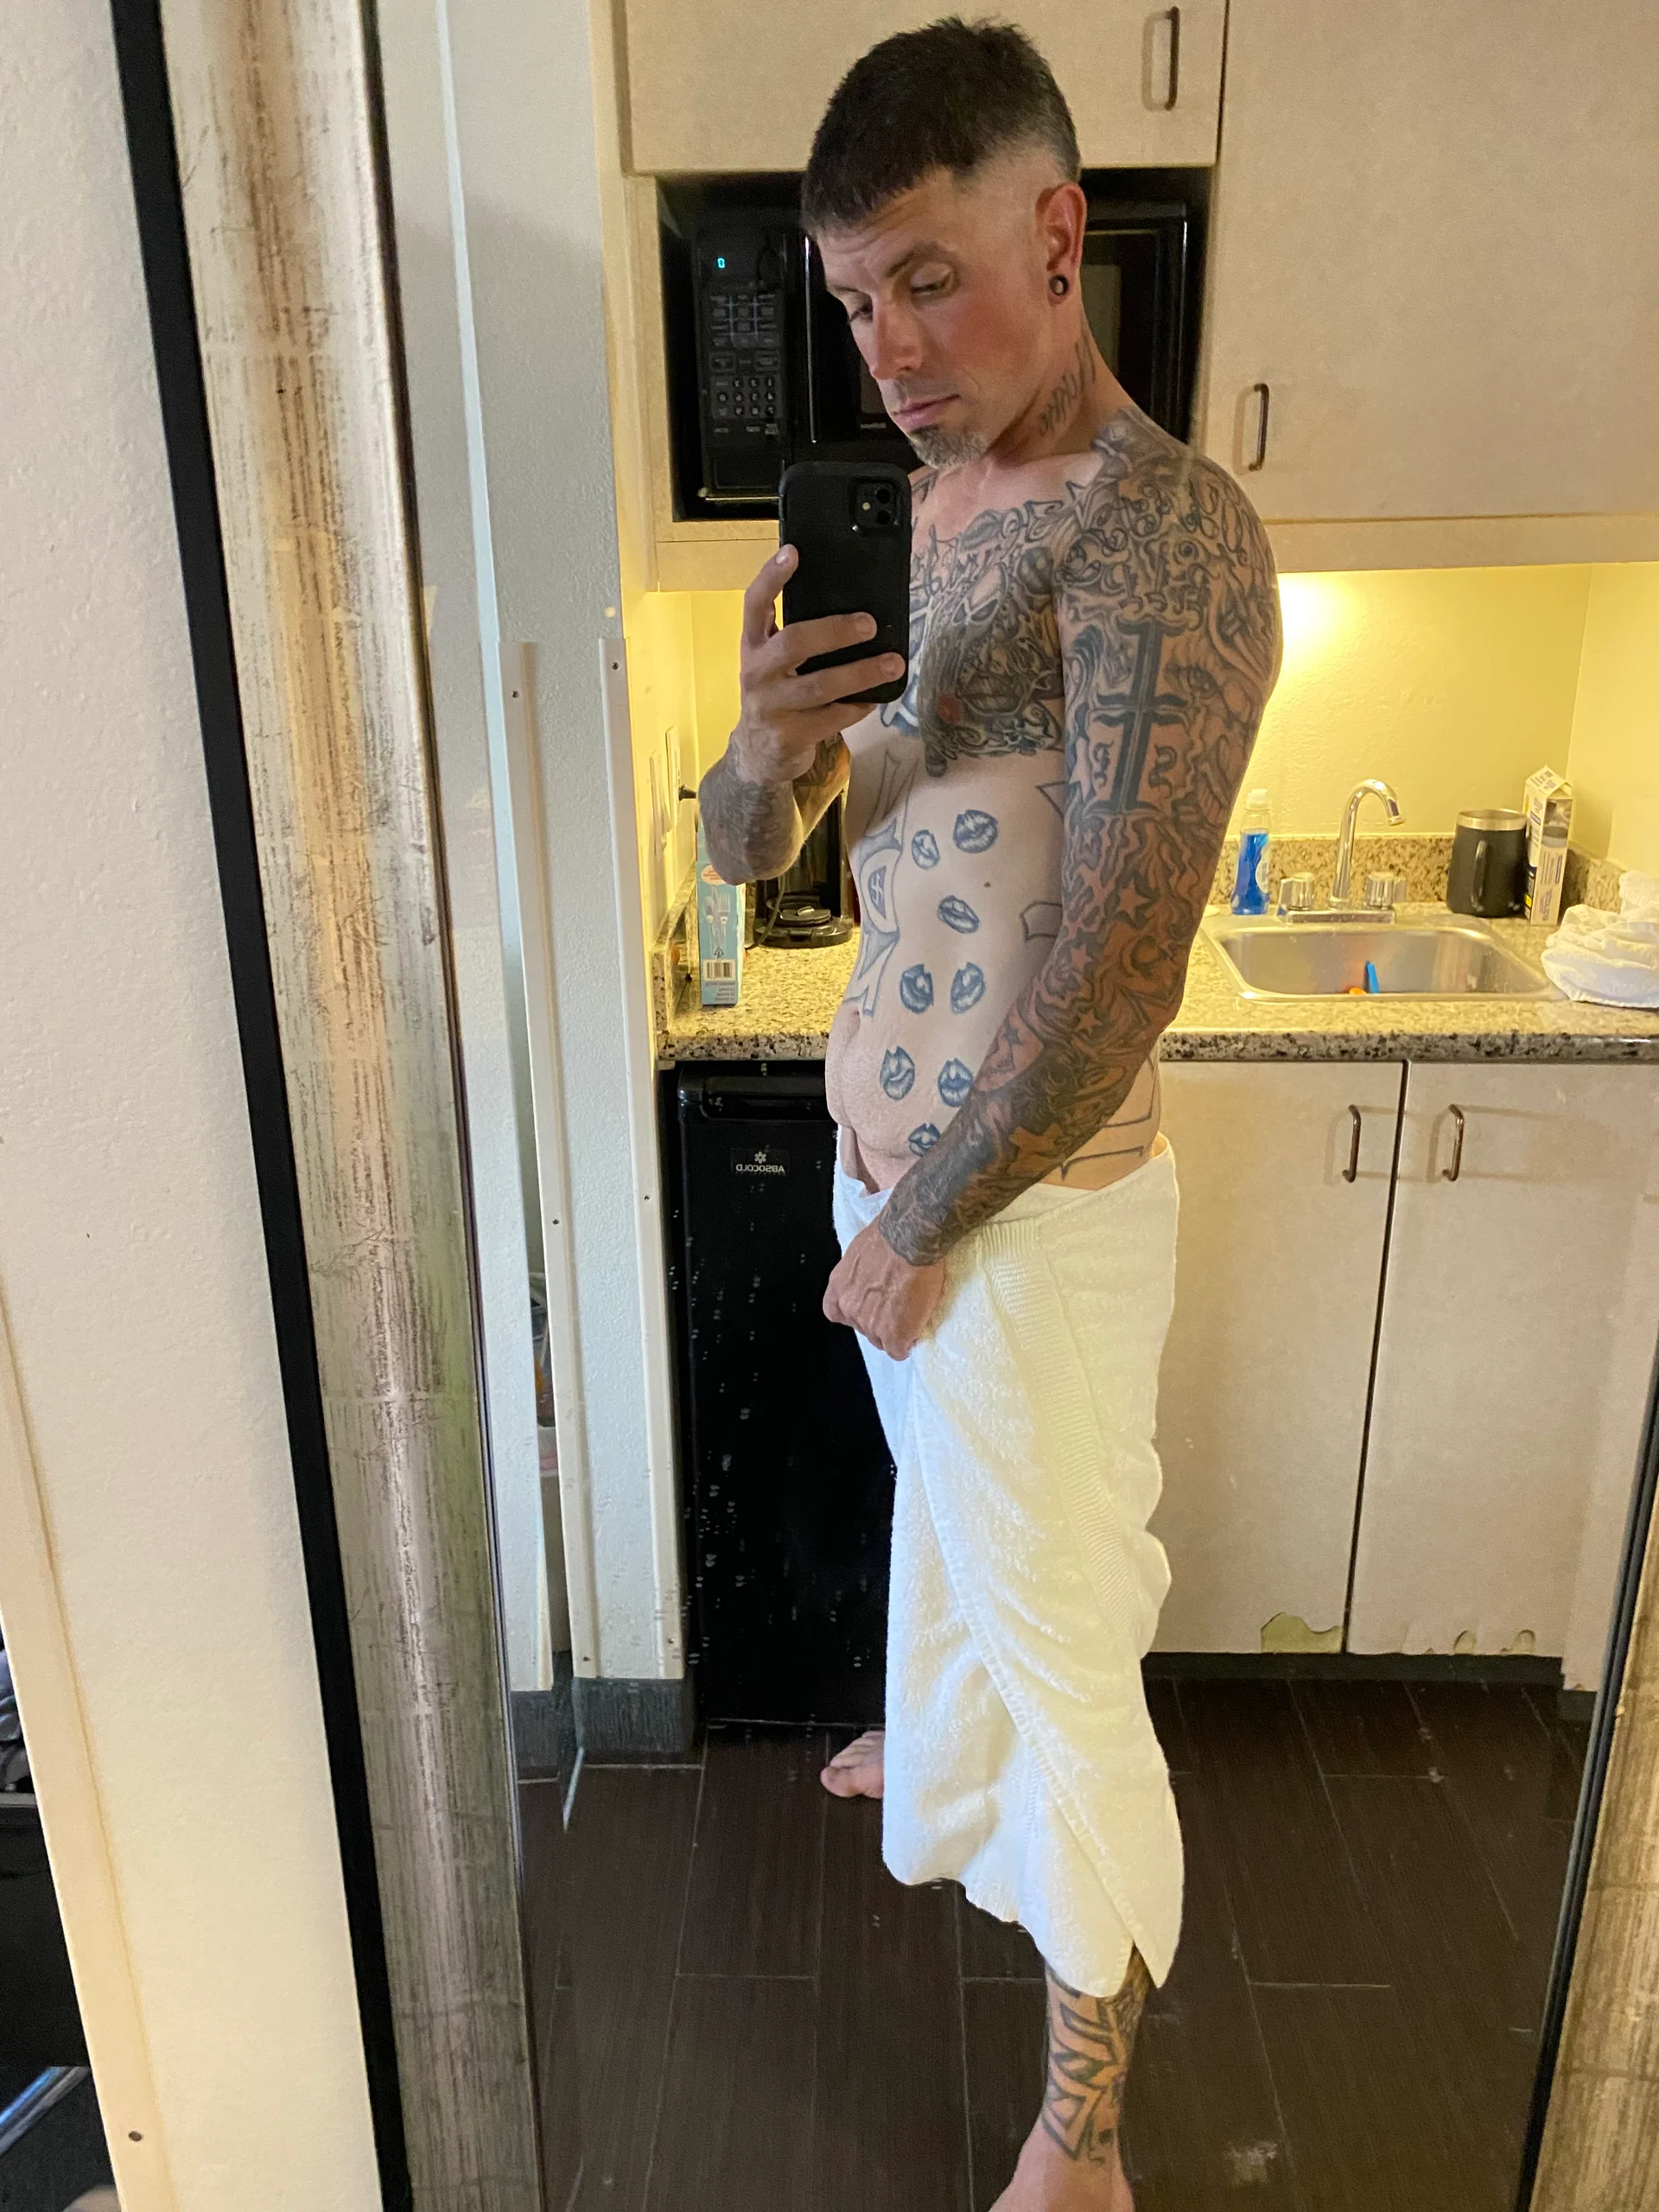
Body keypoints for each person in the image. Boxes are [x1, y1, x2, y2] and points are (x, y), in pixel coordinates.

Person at [697, 20, 1281, 2208]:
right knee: (956, 1561)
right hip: (912, 1198)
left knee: (1070, 1650)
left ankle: (1084, 2132)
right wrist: (760, 745)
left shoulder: (1164, 534)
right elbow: (755, 856)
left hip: (1018, 1219)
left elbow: (1122, 959)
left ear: (1058, 233)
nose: (890, 348)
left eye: (928, 281)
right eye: (857, 301)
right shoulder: (914, 520)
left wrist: (920, 1221)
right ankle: (940, 1759)